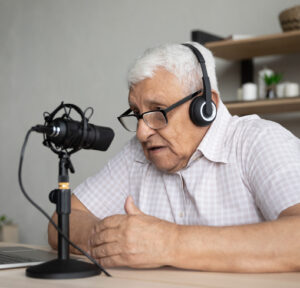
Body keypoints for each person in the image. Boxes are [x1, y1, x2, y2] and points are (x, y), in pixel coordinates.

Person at [48, 42, 300, 272]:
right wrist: (112, 239)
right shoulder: (136, 152)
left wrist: (168, 242)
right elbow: (61, 221)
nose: (142, 131)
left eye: (158, 111)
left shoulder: (259, 141)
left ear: (205, 106)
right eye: (137, 113)